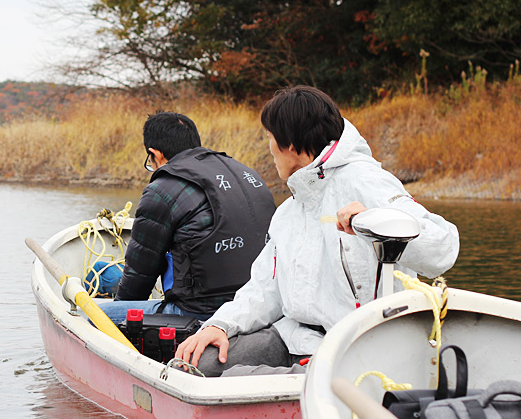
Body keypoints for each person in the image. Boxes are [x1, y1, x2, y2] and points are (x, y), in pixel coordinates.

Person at [176, 86, 459, 376]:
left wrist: (376, 221)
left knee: (235, 379)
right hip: (295, 339)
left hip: (357, 345)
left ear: (290, 142)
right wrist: (218, 325)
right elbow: (264, 290)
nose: (269, 147)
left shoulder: (365, 180)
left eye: (271, 138)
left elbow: (443, 249)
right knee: (195, 365)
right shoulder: (289, 212)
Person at [99, 111, 277, 323]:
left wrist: (121, 315)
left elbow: (140, 275)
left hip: (197, 313)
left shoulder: (162, 189)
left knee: (88, 316)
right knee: (103, 273)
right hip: (257, 305)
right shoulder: (246, 173)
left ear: (155, 154)